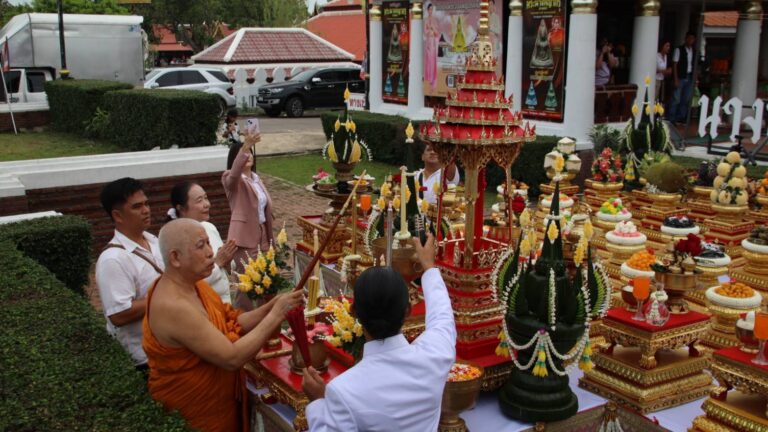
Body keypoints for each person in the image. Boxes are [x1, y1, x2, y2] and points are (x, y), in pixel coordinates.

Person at [143, 219, 303, 432]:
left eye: (209, 243)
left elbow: (233, 322)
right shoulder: (173, 306)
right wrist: (276, 315)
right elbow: (231, 358)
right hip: (197, 412)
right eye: (201, 246)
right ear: (175, 257)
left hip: (219, 399)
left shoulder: (194, 283)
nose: (211, 252)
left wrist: (271, 305)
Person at [302, 233, 456, 431]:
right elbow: (442, 316)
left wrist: (317, 403)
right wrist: (428, 267)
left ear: (354, 312)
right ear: (408, 311)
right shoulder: (435, 356)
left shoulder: (343, 391)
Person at [95, 177, 165, 370]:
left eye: (146, 204)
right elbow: (119, 314)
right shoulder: (113, 259)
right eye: (137, 207)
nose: (146, 210)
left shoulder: (154, 241)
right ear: (117, 215)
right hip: (143, 358)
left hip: (168, 347)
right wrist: (165, 295)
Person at [222, 133, 275, 310]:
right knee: (247, 285)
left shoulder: (256, 179)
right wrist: (245, 147)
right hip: (245, 239)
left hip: (263, 235)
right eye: (245, 153)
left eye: (251, 152)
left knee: (266, 280)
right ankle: (241, 322)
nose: (249, 155)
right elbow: (234, 175)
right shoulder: (231, 179)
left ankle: (264, 321)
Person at [167, 181, 237, 304]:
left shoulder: (209, 227)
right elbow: (186, 284)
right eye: (199, 201)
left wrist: (228, 261)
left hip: (224, 304)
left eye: (206, 198)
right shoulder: (177, 239)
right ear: (181, 208)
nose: (207, 205)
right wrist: (218, 263)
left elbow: (227, 266)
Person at [668, 32, 697, 125]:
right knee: (676, 98)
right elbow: (675, 64)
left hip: (689, 76)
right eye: (689, 38)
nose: (690, 41)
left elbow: (694, 65)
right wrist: (675, 78)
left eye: (692, 39)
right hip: (680, 76)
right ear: (685, 39)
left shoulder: (694, 51)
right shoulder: (679, 50)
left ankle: (681, 117)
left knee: (686, 99)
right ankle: (671, 117)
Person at [424, 3, 439, 92]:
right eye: (430, 9)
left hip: (433, 43)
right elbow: (425, 31)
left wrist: (433, 29)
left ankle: (433, 83)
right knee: (428, 61)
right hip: (428, 43)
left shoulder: (434, 20)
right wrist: (429, 31)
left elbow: (437, 32)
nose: (431, 11)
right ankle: (429, 80)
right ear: (427, 10)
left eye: (432, 9)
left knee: (433, 61)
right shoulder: (426, 20)